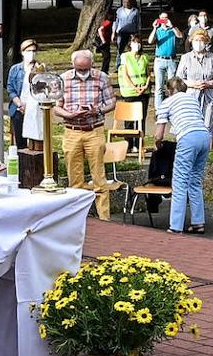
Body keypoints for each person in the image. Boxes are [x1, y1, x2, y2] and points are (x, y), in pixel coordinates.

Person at [55, 50, 116, 220]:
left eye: (86, 69)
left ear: (92, 64)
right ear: (73, 65)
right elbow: (56, 106)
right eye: (79, 69)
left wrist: (98, 110)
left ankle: (104, 219)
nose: (83, 73)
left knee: (99, 179)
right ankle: (77, 218)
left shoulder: (101, 77)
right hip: (72, 130)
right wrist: (69, 114)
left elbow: (111, 102)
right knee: (75, 180)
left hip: (94, 130)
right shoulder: (63, 79)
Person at [155, 77, 211, 234]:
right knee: (195, 180)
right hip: (204, 136)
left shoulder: (167, 102)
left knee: (180, 181)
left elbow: (159, 134)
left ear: (169, 90)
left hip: (187, 137)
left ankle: (176, 226)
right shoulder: (192, 100)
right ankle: (198, 222)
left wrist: (157, 145)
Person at [176, 28, 213, 136]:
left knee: (208, 126)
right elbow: (179, 78)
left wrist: (208, 84)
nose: (199, 43)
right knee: (191, 126)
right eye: (196, 40)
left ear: (206, 42)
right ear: (192, 41)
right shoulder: (186, 58)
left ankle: (208, 146)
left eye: (201, 40)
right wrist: (193, 84)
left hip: (209, 96)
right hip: (191, 96)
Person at [117, 33, 151, 153]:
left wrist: (145, 86)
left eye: (139, 42)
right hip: (130, 92)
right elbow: (125, 74)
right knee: (129, 120)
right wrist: (134, 88)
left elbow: (148, 73)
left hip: (144, 92)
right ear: (130, 44)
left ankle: (139, 144)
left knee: (141, 119)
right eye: (135, 42)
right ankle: (129, 144)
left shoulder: (145, 57)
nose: (137, 45)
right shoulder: (125, 56)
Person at [149, 12, 184, 111]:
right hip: (159, 60)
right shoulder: (158, 30)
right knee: (159, 87)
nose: (164, 20)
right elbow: (150, 41)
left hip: (171, 60)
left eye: (166, 18)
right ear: (159, 19)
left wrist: (171, 26)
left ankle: (171, 107)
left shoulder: (173, 29)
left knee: (172, 86)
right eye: (162, 18)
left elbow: (180, 36)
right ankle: (159, 109)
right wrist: (154, 28)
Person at [8, 38, 38, 149]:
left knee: (36, 141)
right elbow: (10, 89)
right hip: (18, 109)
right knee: (20, 142)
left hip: (35, 109)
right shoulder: (15, 69)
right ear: (22, 52)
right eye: (28, 51)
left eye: (34, 51)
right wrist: (20, 104)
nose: (31, 53)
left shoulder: (40, 68)